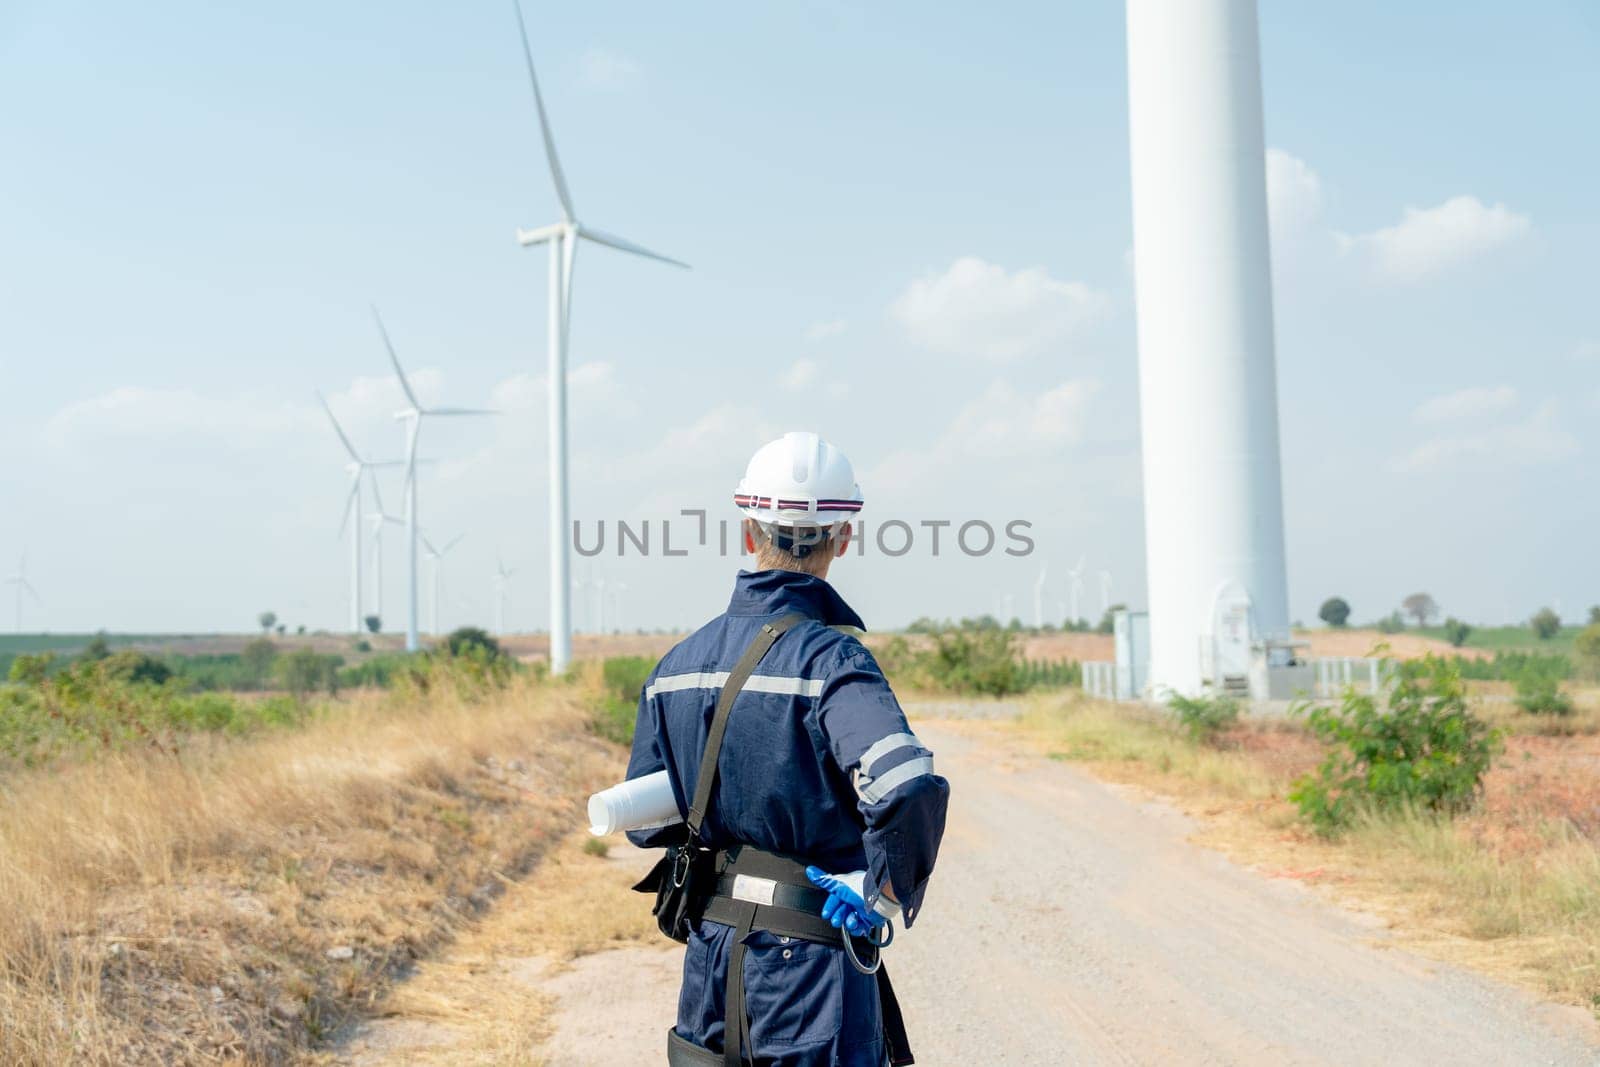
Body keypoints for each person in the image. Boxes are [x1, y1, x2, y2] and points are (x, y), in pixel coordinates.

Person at [626, 431, 950, 1067]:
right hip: (810, 977)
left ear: (749, 532)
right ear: (842, 537)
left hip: (712, 965)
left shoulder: (677, 666)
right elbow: (906, 781)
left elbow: (649, 825)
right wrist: (880, 891)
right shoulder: (833, 661)